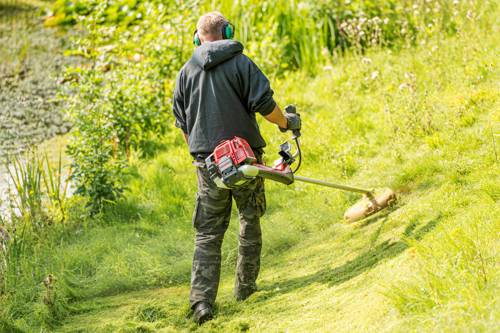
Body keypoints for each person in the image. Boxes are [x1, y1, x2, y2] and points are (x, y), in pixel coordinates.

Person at [172, 11, 301, 325]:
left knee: (207, 234)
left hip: (208, 166)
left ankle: (201, 303)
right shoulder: (242, 63)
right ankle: (245, 289)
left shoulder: (186, 72)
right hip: (245, 161)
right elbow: (266, 106)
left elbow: (183, 124)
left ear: (197, 36)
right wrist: (287, 124)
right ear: (227, 31)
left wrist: (199, 156)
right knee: (249, 218)